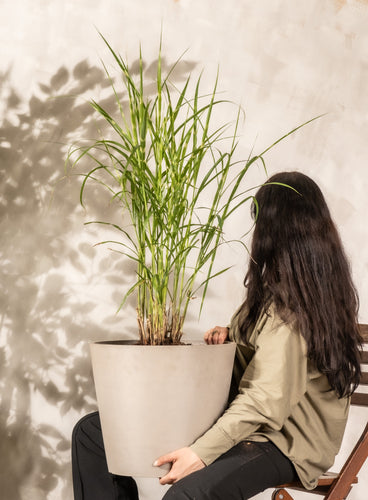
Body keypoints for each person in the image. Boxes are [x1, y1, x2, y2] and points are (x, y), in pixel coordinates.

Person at [71, 171, 362, 499]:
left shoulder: (292, 314)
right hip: (249, 424)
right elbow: (266, 356)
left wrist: (199, 454)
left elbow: (264, 402)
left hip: (283, 442)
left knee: (187, 494)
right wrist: (233, 338)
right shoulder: (279, 293)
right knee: (93, 434)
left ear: (272, 230)